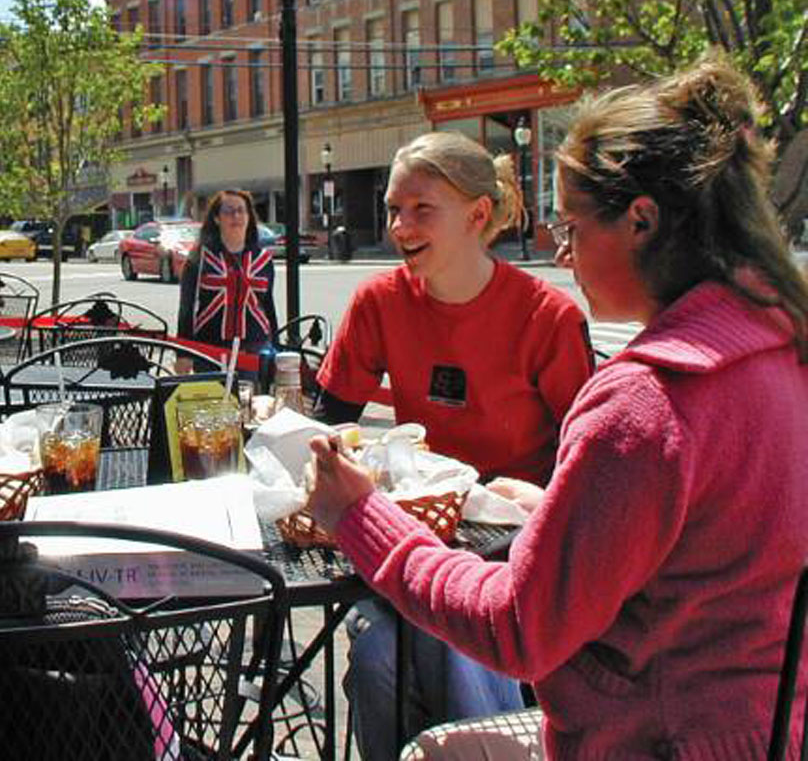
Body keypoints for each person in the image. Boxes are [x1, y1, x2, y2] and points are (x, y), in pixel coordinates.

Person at [307, 53, 808, 759]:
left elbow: (514, 628)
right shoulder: (780, 345)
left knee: (429, 740)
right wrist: (555, 510)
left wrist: (360, 516)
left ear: (642, 220)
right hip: (763, 729)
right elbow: (703, 543)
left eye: (573, 227)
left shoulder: (647, 402)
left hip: (645, 739)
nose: (565, 255)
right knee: (390, 657)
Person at [315, 131, 595, 761]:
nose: (399, 226)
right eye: (393, 209)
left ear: (478, 215)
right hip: (416, 534)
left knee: (448, 644)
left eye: (421, 209)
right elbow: (329, 422)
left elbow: (584, 467)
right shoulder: (379, 301)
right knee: (377, 652)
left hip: (515, 556)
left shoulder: (545, 316)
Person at [176, 189, 279, 366]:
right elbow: (187, 309)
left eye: (241, 210)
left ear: (249, 217)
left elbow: (268, 307)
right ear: (216, 219)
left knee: (251, 394)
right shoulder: (199, 258)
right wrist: (183, 354)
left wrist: (276, 347)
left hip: (253, 352)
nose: (236, 216)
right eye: (228, 211)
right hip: (209, 352)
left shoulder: (263, 260)